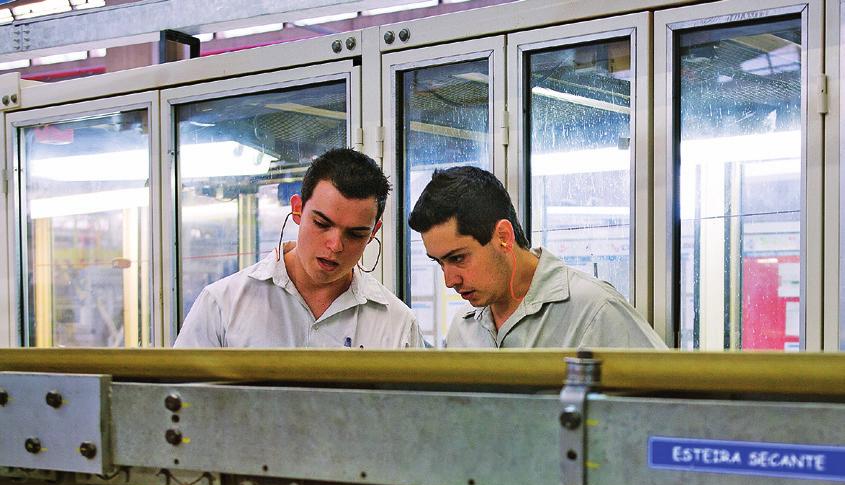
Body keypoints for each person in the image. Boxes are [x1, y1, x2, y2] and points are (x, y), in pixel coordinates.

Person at [175, 148, 424, 348]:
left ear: (373, 233)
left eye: (356, 234)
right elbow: (181, 402)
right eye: (321, 223)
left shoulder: (397, 325)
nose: (335, 245)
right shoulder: (222, 305)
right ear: (297, 209)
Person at [408, 166, 666, 349]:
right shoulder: (463, 330)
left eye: (459, 258)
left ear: (503, 236)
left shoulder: (595, 311)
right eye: (439, 262)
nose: (449, 280)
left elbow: (666, 409)